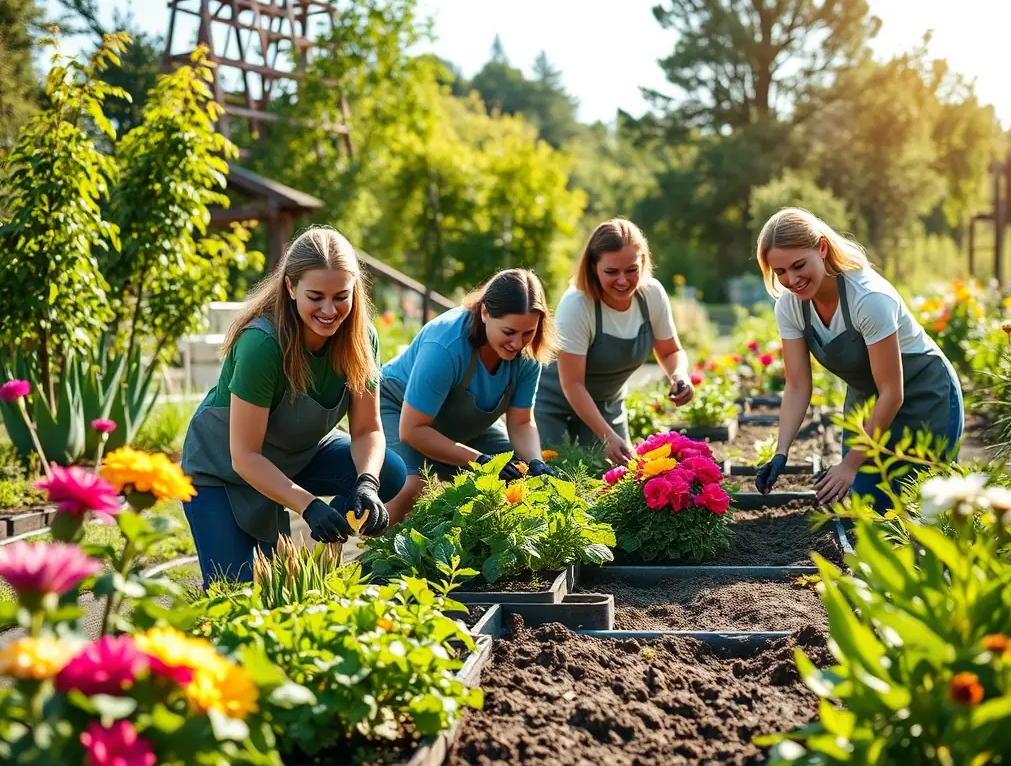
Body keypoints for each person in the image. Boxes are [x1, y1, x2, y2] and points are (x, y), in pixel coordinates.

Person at [180, 227, 407, 589]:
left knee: (389, 471)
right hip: (222, 469)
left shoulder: (361, 339)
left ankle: (324, 553)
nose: (330, 310)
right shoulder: (262, 344)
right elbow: (245, 456)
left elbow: (368, 430)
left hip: (296, 455)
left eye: (341, 297)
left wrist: (366, 484)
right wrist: (309, 505)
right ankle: (304, 539)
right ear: (290, 288)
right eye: (315, 296)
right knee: (236, 594)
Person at [752, 208, 964, 510]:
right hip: (867, 403)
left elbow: (892, 393)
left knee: (927, 510)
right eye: (781, 272)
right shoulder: (790, 307)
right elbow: (798, 384)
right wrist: (780, 453)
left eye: (799, 265)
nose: (792, 280)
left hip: (925, 397)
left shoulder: (868, 298)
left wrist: (850, 464)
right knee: (870, 511)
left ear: (822, 249)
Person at [380, 269, 558, 520]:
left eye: (527, 333)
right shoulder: (445, 345)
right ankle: (374, 552)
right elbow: (412, 431)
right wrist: (480, 461)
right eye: (509, 332)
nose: (517, 344)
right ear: (485, 313)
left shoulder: (527, 353)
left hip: (460, 425)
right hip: (399, 412)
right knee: (412, 487)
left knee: (518, 478)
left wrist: (536, 462)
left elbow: (521, 422)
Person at [534, 218, 694, 465]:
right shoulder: (577, 304)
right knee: (554, 478)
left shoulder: (651, 295)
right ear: (593, 268)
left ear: (643, 263)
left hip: (607, 404)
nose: (622, 280)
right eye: (611, 272)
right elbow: (573, 384)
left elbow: (670, 350)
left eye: (631, 270)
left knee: (613, 482)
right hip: (554, 404)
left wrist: (678, 375)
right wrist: (607, 435)